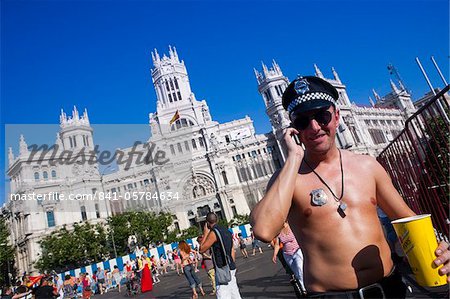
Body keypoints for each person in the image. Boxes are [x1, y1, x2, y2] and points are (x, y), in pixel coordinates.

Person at [250, 75, 450, 298]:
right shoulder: (287, 179)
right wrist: (294, 158)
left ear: (336, 117)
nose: (314, 127)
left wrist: (441, 250)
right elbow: (264, 230)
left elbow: (410, 221)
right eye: (302, 122)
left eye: (321, 116)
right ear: (294, 129)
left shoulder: (367, 166)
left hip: (390, 288)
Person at [199, 212, 242, 299]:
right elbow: (232, 250)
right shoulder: (226, 231)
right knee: (234, 293)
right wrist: (232, 263)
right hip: (231, 266)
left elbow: (201, 249)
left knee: (222, 294)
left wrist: (206, 233)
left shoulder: (214, 233)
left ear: (207, 223)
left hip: (222, 268)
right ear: (217, 220)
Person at [272, 222, 306, 294]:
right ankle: (303, 285)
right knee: (296, 273)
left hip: (297, 250)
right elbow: (277, 244)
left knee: (300, 269)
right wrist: (274, 254)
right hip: (287, 254)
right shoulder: (279, 231)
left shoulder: (292, 226)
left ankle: (304, 288)